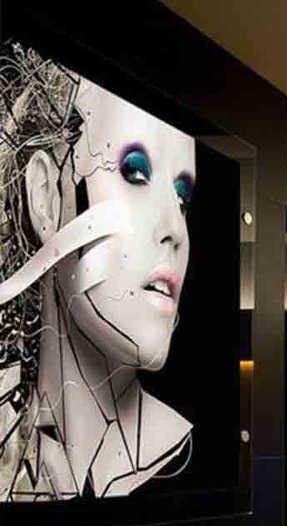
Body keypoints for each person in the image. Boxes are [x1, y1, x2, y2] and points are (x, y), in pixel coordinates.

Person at [0, 44, 196, 500]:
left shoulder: (190, 464)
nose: (176, 229)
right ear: (46, 198)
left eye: (182, 197)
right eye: (135, 171)